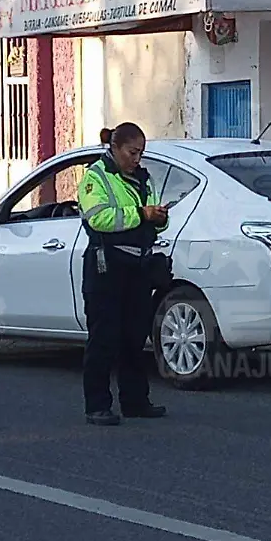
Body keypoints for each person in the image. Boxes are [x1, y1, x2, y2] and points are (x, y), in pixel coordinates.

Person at [76, 122, 170, 426]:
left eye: (141, 152)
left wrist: (158, 218)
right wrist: (141, 214)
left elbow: (154, 222)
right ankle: (97, 405)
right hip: (106, 267)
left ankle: (135, 401)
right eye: (132, 152)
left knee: (134, 338)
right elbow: (99, 218)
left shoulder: (143, 178)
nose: (137, 158)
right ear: (115, 149)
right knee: (104, 338)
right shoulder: (96, 177)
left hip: (138, 267)